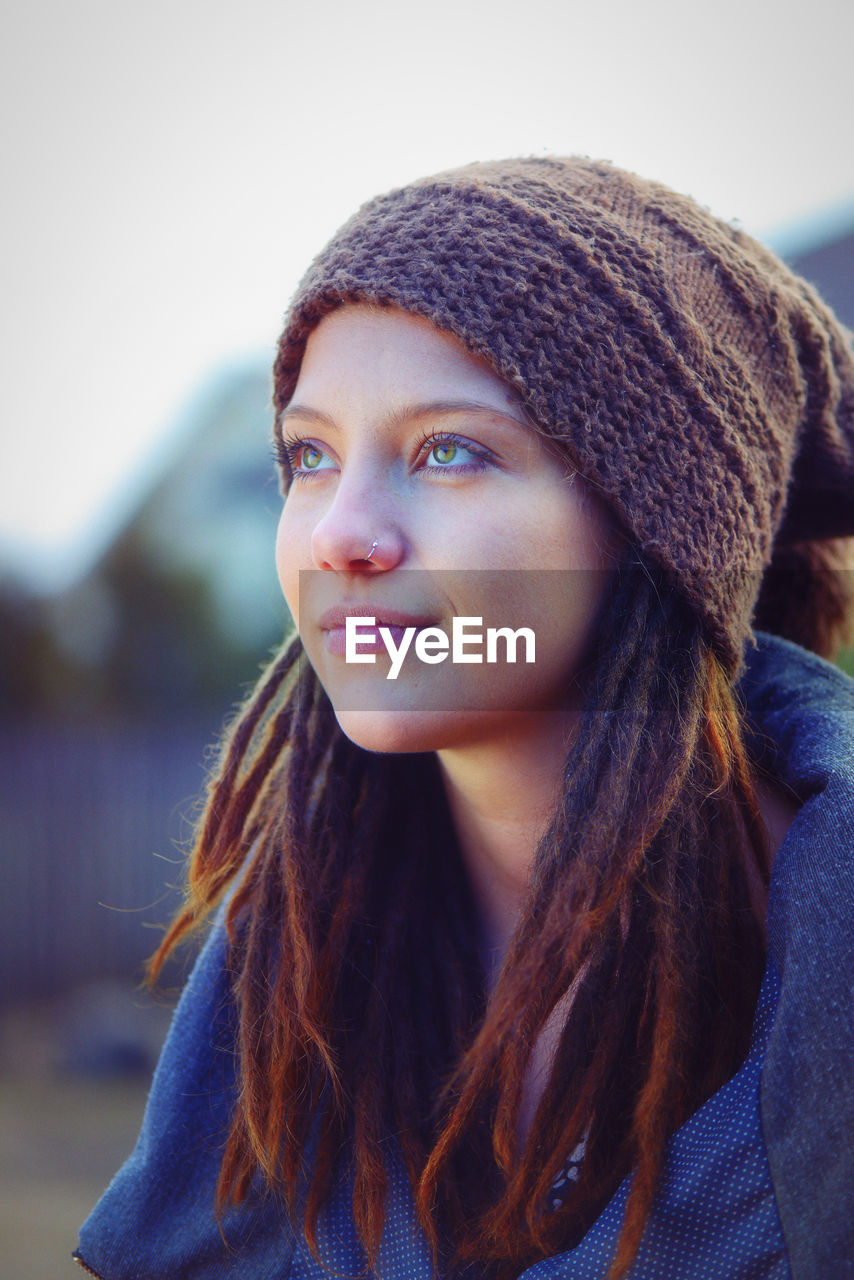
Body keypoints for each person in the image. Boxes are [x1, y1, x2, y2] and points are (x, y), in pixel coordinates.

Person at [74, 157, 854, 1279]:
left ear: (651, 524)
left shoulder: (821, 936)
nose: (341, 532)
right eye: (309, 455)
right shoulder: (304, 924)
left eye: (449, 451)